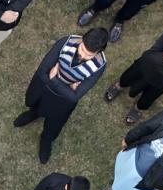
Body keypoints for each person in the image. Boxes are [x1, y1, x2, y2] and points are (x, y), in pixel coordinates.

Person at [17, 27, 109, 164]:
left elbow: (74, 97)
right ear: (82, 40)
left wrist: (53, 79)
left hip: (61, 100)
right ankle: (33, 114)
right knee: (36, 105)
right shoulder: (66, 42)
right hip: (48, 90)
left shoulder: (100, 65)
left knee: (54, 124)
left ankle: (46, 140)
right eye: (82, 49)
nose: (83, 56)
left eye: (89, 55)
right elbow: (42, 71)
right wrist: (68, 89)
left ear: (99, 51)